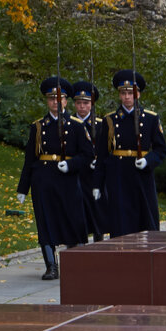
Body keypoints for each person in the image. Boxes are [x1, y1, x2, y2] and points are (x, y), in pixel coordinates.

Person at [16, 76, 93, 280]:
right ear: (47, 101)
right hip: (43, 179)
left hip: (67, 180)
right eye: (51, 98)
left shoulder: (76, 125)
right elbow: (30, 158)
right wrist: (23, 188)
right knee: (45, 221)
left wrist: (70, 164)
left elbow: (87, 155)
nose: (55, 102)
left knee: (72, 220)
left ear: (66, 101)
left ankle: (75, 261)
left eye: (59, 98)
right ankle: (51, 265)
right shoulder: (38, 126)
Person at [95, 69, 166, 237]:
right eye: (123, 93)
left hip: (141, 175)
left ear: (138, 95)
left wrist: (148, 160)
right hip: (118, 175)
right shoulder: (109, 120)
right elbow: (102, 155)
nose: (127, 97)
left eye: (131, 93)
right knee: (120, 221)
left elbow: (161, 150)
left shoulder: (151, 118)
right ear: (119, 95)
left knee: (145, 220)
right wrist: (97, 184)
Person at [70, 80, 108, 243]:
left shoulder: (101, 125)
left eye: (86, 103)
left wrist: (99, 161)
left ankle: (98, 242)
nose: (82, 107)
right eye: (79, 103)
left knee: (97, 212)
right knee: (75, 212)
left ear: (91, 105)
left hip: (93, 175)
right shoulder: (68, 123)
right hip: (75, 173)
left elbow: (108, 148)